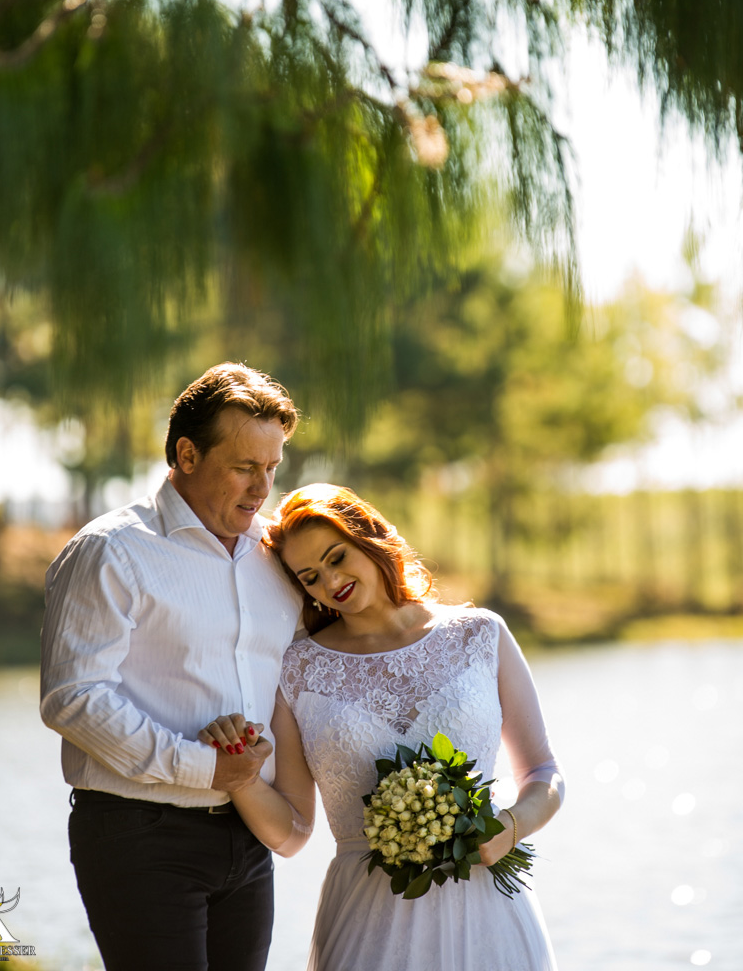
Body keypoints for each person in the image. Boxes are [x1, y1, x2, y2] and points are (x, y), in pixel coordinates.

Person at [201, 483, 565, 971]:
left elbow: (544, 771)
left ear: (370, 537)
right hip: (370, 920)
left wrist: (511, 826)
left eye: (337, 557)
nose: (330, 582)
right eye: (310, 576)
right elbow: (293, 832)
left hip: (488, 912)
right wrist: (240, 777)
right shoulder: (297, 670)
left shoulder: (481, 634)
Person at [39, 363, 304, 971]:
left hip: (247, 835)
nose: (262, 488)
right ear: (187, 453)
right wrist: (208, 768)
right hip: (140, 836)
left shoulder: (277, 557)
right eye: (243, 467)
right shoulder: (112, 550)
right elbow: (74, 697)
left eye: (272, 468)